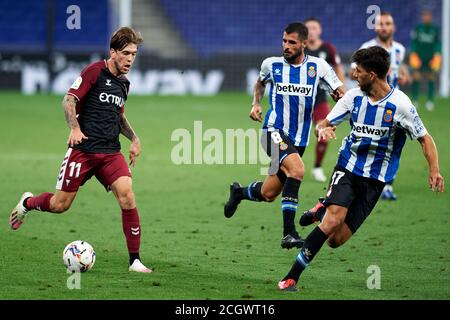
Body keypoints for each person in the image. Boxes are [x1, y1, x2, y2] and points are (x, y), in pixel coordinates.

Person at [278, 46, 444, 291]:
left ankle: (321, 208)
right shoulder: (353, 97)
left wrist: (434, 170)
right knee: (333, 222)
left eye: (358, 70)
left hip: (375, 181)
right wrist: (323, 129)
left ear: (373, 74)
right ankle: (291, 277)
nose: (353, 74)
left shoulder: (401, 105)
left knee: (336, 240)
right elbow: (324, 123)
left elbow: (424, 138)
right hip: (347, 168)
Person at [9, 27, 152, 273]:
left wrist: (135, 139)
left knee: (127, 196)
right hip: (83, 151)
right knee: (60, 205)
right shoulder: (94, 72)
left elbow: (118, 117)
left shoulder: (124, 84)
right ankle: (28, 203)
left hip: (109, 153)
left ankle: (135, 261)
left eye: (134, 54)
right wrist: (74, 128)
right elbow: (69, 100)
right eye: (126, 53)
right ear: (113, 52)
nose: (130, 59)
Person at [224, 22, 345, 250]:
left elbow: (341, 94)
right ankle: (288, 233)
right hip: (272, 132)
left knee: (269, 193)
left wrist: (334, 120)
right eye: (284, 41)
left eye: (291, 42)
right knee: (298, 170)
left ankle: (239, 193)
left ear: (304, 44)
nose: (286, 46)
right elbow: (260, 83)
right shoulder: (271, 65)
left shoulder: (318, 67)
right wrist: (256, 104)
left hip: (298, 140)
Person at [352, 11, 410, 200]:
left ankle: (387, 185)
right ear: (375, 27)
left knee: (394, 146)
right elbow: (357, 73)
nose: (384, 27)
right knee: (370, 143)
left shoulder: (400, 49)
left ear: (393, 27)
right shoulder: (367, 48)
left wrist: (403, 75)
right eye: (381, 24)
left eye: (387, 23)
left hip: (394, 105)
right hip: (373, 104)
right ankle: (364, 179)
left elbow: (400, 69)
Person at [304, 17, 346, 182]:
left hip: (320, 99)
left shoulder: (328, 49)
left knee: (324, 130)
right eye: (308, 28)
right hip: (300, 100)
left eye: (314, 28)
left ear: (319, 30)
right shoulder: (299, 48)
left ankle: (317, 167)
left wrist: (341, 89)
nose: (311, 31)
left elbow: (337, 68)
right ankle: (288, 165)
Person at [410, 9, 441, 111]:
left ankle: (430, 100)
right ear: (422, 17)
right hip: (419, 57)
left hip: (431, 57)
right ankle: (415, 99)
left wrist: (437, 55)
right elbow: (414, 42)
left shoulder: (435, 29)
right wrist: (414, 54)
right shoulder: (418, 29)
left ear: (431, 17)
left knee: (431, 77)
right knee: (416, 77)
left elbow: (437, 43)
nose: (426, 18)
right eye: (424, 16)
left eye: (428, 16)